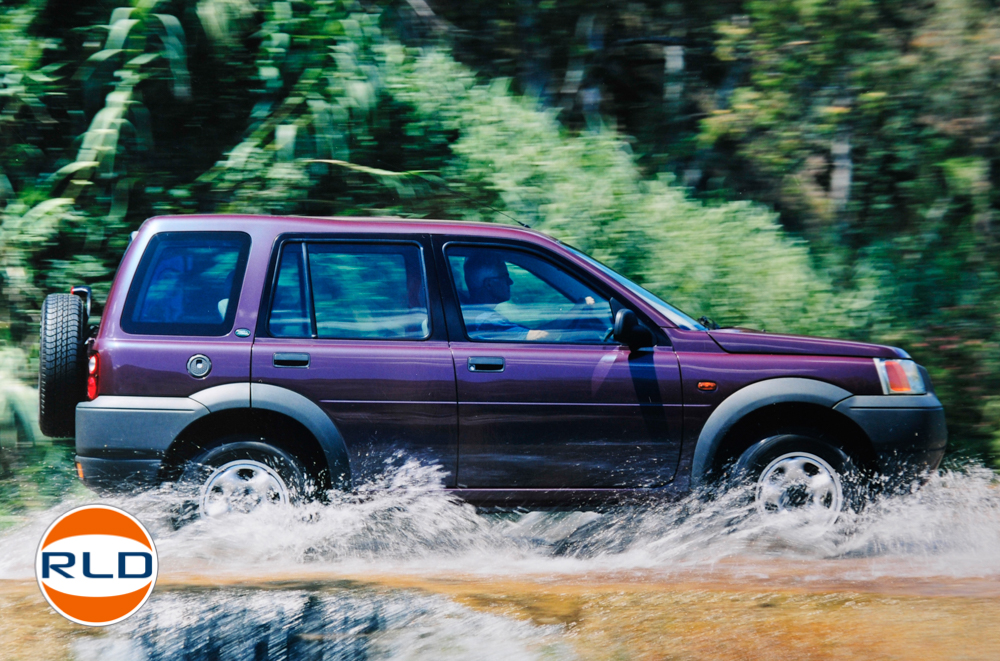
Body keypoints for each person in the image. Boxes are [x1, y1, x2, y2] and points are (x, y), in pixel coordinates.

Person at [463, 252, 549, 341]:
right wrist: (560, 328)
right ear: (489, 284)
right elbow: (536, 337)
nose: (510, 282)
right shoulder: (487, 321)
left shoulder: (475, 314)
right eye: (505, 277)